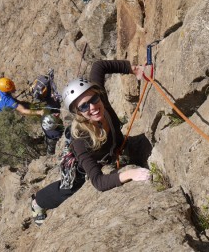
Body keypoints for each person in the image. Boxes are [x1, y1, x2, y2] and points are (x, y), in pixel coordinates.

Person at [31, 60, 152, 226]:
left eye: (94, 99)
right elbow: (98, 182)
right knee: (69, 188)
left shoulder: (101, 101)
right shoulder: (81, 140)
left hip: (109, 148)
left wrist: (135, 70)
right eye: (84, 106)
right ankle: (38, 202)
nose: (93, 107)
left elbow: (99, 66)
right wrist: (130, 174)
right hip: (78, 160)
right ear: (77, 113)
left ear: (98, 94)